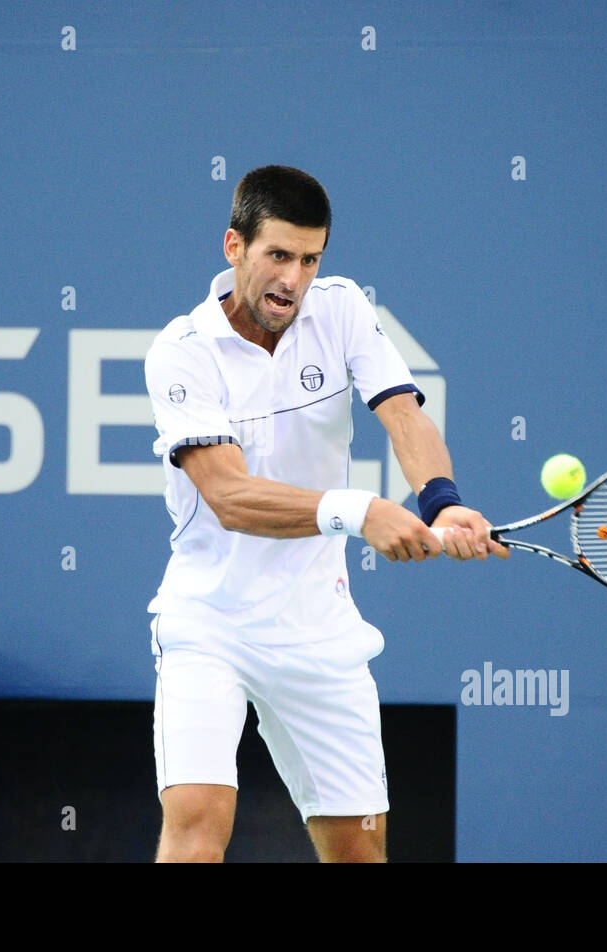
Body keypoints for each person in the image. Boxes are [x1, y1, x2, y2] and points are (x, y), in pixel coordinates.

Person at [144, 165, 508, 863]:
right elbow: (228, 496)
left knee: (359, 851)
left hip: (319, 630)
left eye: (310, 259)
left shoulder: (341, 309)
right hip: (208, 622)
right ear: (234, 247)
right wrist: (358, 510)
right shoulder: (181, 353)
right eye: (277, 255)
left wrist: (444, 501)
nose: (294, 278)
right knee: (196, 825)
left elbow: (402, 415)